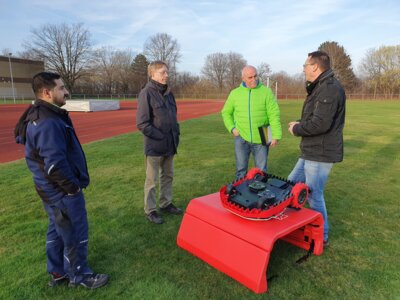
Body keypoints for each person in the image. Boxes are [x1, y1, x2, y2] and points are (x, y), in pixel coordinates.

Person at [14, 72, 109, 289]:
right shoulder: (47, 122)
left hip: (48, 190)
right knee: (75, 232)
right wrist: (72, 189)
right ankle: (80, 276)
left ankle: (58, 272)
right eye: (61, 88)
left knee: (57, 230)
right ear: (47, 92)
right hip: (60, 191)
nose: (66, 91)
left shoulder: (42, 114)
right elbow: (54, 165)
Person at [288, 51, 346, 247]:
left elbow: (320, 124)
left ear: (314, 67)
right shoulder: (320, 86)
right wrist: (301, 122)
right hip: (311, 150)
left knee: (313, 194)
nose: (303, 69)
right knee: (290, 186)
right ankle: (291, 226)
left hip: (320, 153)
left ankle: (322, 236)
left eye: (305, 65)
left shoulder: (329, 89)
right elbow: (316, 118)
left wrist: (297, 128)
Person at [136, 61, 182, 224]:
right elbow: (142, 124)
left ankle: (165, 204)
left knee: (168, 176)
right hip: (155, 146)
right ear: (153, 74)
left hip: (170, 144)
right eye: (163, 72)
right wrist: (160, 136)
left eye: (167, 72)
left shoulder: (169, 93)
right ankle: (150, 210)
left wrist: (175, 133)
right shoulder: (146, 93)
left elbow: (173, 116)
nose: (166, 75)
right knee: (151, 180)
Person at [221, 65, 282, 179]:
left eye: (255, 76)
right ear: (243, 78)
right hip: (241, 136)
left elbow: (274, 114)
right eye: (250, 77)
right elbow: (226, 112)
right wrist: (232, 128)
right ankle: (240, 194)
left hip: (264, 133)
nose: (254, 79)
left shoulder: (266, 92)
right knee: (240, 170)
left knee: (262, 171)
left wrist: (276, 135)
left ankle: (261, 195)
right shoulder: (235, 93)